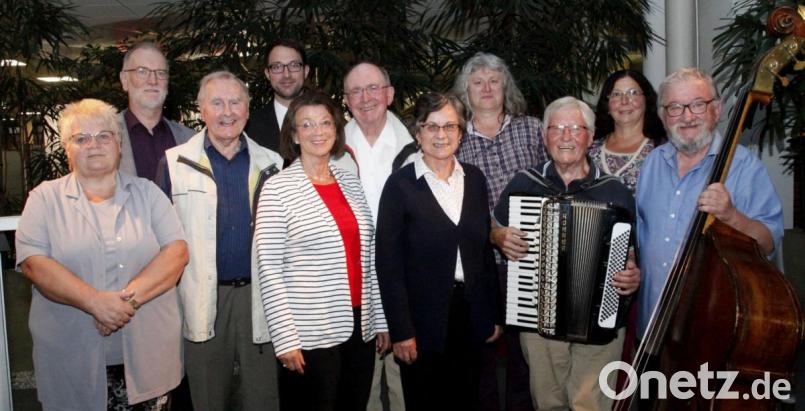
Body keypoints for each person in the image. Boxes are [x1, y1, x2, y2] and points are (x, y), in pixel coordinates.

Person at [15, 98, 189, 410]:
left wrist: (124, 303)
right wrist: (94, 303)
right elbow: (34, 264)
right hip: (71, 356)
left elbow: (176, 254)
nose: (94, 145)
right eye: (81, 138)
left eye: (104, 136)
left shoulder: (148, 194)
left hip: (148, 357)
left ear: (119, 144)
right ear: (66, 148)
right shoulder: (43, 199)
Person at [491, 96, 640, 411]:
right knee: (548, 403)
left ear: (590, 135)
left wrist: (631, 275)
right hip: (537, 320)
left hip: (600, 321)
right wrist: (498, 234)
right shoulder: (524, 184)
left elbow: (630, 255)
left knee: (591, 404)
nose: (566, 137)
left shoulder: (615, 191)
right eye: (557, 129)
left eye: (576, 128)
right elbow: (493, 225)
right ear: (544, 137)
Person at [254, 90, 388, 411]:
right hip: (310, 331)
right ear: (294, 135)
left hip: (360, 326)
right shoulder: (277, 187)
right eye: (308, 124)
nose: (318, 131)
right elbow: (269, 269)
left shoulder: (349, 180)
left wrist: (380, 319)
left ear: (336, 129)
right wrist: (285, 338)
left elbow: (367, 255)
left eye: (326, 122)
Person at [158, 71, 284, 411]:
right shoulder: (174, 164)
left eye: (235, 102)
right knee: (208, 396)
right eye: (217, 103)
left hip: (259, 298)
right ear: (201, 110)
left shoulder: (273, 164)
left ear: (247, 108)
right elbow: (160, 243)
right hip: (202, 299)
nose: (227, 112)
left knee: (262, 398)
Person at [376, 92, 503, 411]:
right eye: (431, 127)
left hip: (471, 316)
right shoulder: (400, 186)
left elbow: (484, 254)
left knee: (469, 400)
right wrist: (401, 330)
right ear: (418, 133)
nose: (441, 135)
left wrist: (493, 314)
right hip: (422, 323)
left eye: (449, 126)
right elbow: (388, 265)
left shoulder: (474, 180)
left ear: (461, 133)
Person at [636, 67, 784, 336]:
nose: (687, 116)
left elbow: (768, 242)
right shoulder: (651, 164)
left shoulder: (745, 167)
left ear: (717, 109)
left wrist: (731, 215)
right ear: (662, 116)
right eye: (675, 108)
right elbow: (642, 236)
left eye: (697, 104)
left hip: (713, 328)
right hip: (652, 324)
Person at [453, 51, 547, 411]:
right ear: (466, 92)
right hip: (481, 264)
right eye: (477, 82)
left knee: (527, 357)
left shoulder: (533, 129)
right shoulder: (455, 139)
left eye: (494, 80)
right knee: (484, 356)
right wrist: (492, 231)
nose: (487, 87)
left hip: (531, 261)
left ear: (506, 85)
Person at [342, 61, 411, 411]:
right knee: (360, 391)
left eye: (372, 88)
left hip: (405, 292)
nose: (365, 97)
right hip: (350, 294)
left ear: (389, 94)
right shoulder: (332, 148)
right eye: (355, 90)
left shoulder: (417, 150)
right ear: (345, 100)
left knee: (405, 391)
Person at [118, 42, 195, 182]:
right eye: (142, 71)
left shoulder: (190, 140)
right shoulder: (103, 137)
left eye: (160, 73)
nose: (153, 81)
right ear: (124, 80)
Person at [591, 69, 666, 191]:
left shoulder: (663, 152)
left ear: (646, 100)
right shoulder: (589, 149)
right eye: (616, 94)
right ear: (607, 104)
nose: (624, 101)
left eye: (633, 93)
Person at [245, 39, 310, 153]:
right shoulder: (248, 127)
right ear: (267, 74)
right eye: (277, 67)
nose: (286, 74)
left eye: (294, 65)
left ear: (305, 71)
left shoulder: (331, 120)